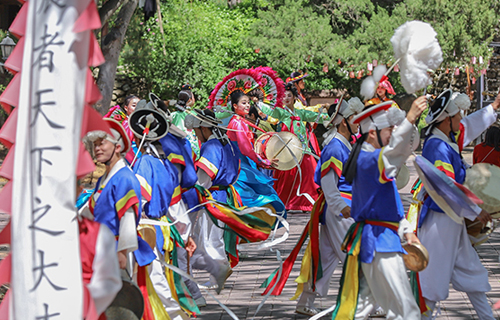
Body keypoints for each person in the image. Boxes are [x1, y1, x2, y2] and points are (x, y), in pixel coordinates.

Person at [332, 97, 427, 319]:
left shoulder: (369, 159)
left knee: (363, 306)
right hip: (381, 242)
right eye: (389, 129)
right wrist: (410, 118)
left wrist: (406, 231)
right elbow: (397, 150)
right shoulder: (371, 160)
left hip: (373, 240)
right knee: (404, 307)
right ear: (373, 132)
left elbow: (390, 204)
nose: (392, 133)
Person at [417, 90, 500, 320]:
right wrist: (475, 210)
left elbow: (469, 125)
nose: (462, 118)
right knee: (432, 282)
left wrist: (494, 106)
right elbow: (446, 186)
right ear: (446, 120)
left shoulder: (446, 139)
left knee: (472, 273)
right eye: (458, 115)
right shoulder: (437, 146)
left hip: (452, 219)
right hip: (440, 220)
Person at [294, 97, 364, 316]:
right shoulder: (335, 146)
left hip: (340, 208)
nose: (359, 121)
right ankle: (369, 303)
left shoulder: (343, 143)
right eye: (356, 117)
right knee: (355, 255)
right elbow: (328, 182)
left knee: (325, 256)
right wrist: (340, 206)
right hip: (342, 209)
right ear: (344, 121)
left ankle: (305, 301)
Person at [184, 108, 240, 292]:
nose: (196, 135)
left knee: (210, 238)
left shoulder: (211, 147)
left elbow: (203, 179)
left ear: (203, 128)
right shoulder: (228, 143)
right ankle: (220, 270)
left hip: (213, 196)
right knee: (215, 237)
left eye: (197, 131)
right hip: (225, 194)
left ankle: (218, 274)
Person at [258, 83, 330, 212]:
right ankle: (285, 203)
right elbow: (269, 111)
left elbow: (316, 117)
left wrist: (332, 117)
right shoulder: (281, 113)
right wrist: (257, 102)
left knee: (309, 175)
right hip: (286, 151)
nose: (286, 98)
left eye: (289, 95)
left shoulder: (301, 113)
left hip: (302, 149)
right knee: (286, 178)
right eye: (284, 96)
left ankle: (308, 203)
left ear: (295, 98)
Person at [226, 90, 286, 217]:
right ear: (235, 106)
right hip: (240, 167)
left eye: (248, 102)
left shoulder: (240, 121)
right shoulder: (237, 123)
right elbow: (245, 149)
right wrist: (263, 162)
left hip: (244, 164)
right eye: (244, 103)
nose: (248, 105)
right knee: (259, 199)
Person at [171, 84, 201, 159]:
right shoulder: (195, 114)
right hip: (192, 149)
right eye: (193, 97)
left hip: (178, 148)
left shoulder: (174, 115)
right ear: (190, 100)